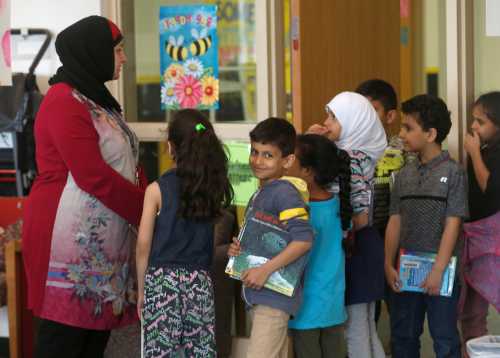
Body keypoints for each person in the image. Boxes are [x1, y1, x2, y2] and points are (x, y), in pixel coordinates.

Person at [22, 16, 146, 358]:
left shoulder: (97, 100)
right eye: (118, 51)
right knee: (64, 341)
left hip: (102, 247)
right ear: (94, 52)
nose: (123, 59)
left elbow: (128, 165)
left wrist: (152, 199)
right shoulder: (63, 100)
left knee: (91, 343)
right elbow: (93, 175)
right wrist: (148, 211)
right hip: (66, 243)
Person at [136, 109, 233, 357]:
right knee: (200, 350)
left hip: (161, 282)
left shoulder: (156, 190)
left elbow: (143, 245)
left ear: (171, 147)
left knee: (160, 351)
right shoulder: (210, 188)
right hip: (198, 281)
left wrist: (141, 290)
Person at [385, 94, 467, 358]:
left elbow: (452, 225)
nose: (401, 133)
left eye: (408, 128)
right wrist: (388, 264)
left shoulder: (454, 172)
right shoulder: (404, 174)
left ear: (430, 134)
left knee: (444, 338)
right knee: (404, 336)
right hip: (406, 272)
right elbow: (394, 219)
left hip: (441, 273)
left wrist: (439, 270)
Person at [308, 91, 387, 358]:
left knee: (355, 329)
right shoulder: (362, 156)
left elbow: (351, 211)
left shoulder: (346, 160)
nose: (326, 122)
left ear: (353, 121)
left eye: (333, 116)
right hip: (367, 245)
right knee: (365, 326)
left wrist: (311, 145)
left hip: (352, 248)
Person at [228, 117, 313, 358]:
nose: (257, 160)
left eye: (268, 155)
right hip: (261, 295)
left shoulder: (284, 193)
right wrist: (240, 249)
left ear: (287, 160)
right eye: (254, 152)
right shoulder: (263, 191)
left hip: (273, 298)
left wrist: (265, 270)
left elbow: (304, 240)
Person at [288, 134, 352, 358]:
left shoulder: (297, 211)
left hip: (304, 305)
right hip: (333, 302)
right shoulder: (339, 205)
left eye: (290, 158)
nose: (285, 162)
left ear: (307, 172)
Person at [356, 79, 406, 329]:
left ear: (390, 116)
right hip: (365, 238)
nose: (366, 117)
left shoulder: (403, 149)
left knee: (399, 306)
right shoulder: (348, 151)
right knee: (367, 310)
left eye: (372, 110)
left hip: (397, 238)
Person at [460, 91, 500, 355]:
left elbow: (489, 186)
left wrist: (474, 153)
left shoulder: (488, 153)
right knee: (471, 311)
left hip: (492, 239)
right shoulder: (485, 150)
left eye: (480, 122)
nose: (473, 127)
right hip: (473, 235)